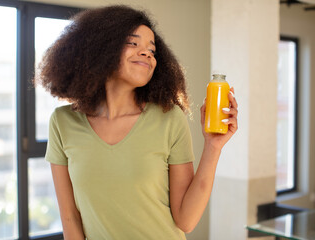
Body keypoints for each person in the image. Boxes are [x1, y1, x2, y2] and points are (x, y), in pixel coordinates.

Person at [36, 5, 238, 240]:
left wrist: (213, 147)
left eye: (152, 50)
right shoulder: (63, 122)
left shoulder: (169, 118)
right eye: (133, 43)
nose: (147, 54)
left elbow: (186, 220)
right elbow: (70, 218)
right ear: (101, 48)